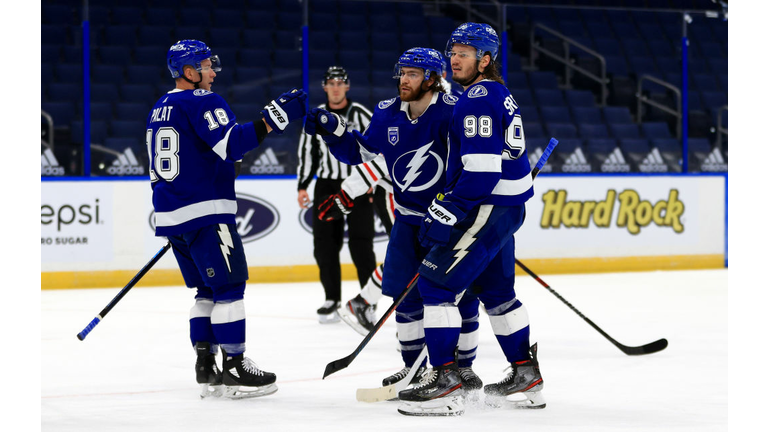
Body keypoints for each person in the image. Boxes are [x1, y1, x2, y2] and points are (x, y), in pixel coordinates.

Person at [305, 47, 483, 394]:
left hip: (450, 222)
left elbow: (474, 162)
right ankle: (412, 370)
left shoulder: (453, 112)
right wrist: (334, 133)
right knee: (404, 299)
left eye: (413, 74)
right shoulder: (387, 113)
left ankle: (464, 369)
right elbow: (362, 153)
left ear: (432, 79)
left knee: (461, 298)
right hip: (408, 222)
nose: (404, 79)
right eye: (402, 72)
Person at [394, 23, 545, 416]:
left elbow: (480, 171)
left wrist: (448, 209)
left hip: (487, 207)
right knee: (497, 294)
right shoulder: (497, 92)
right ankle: (526, 376)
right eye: (453, 51)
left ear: (486, 59)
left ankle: (446, 382)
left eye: (465, 52)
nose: (455, 58)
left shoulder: (477, 97)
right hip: (505, 208)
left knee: (435, 285)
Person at [147, 39, 307, 399]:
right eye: (206, 66)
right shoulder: (204, 101)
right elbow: (233, 144)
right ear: (189, 72)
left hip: (174, 215)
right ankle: (235, 367)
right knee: (230, 289)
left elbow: (193, 157)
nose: (213, 72)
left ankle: (207, 365)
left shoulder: (160, 107)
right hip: (207, 214)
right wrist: (273, 118)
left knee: (206, 290)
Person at [297, 66, 378, 323]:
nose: (335, 87)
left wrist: (374, 179)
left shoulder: (361, 114)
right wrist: (302, 185)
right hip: (327, 186)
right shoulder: (316, 117)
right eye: (330, 83)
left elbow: (374, 147)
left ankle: (367, 300)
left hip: (360, 186)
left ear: (347, 86)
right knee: (325, 246)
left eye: (339, 83)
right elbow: (308, 153)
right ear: (324, 87)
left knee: (361, 244)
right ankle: (331, 298)